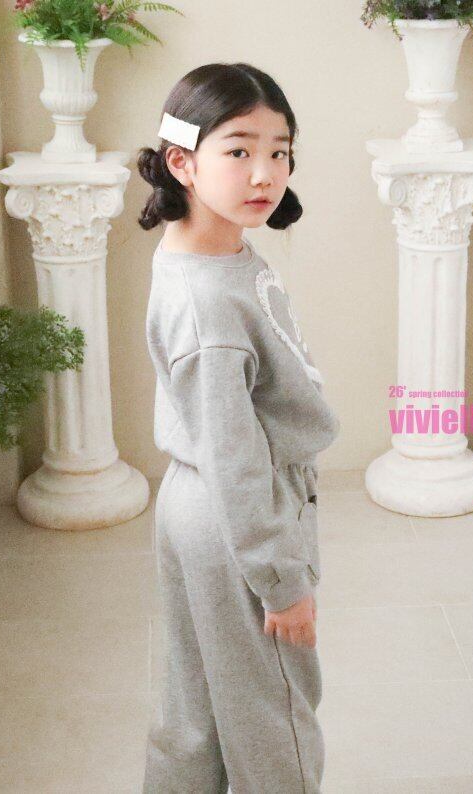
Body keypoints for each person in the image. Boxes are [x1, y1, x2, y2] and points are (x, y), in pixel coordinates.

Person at [137, 62, 341, 794]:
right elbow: (237, 460)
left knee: (194, 708)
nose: (265, 173)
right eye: (239, 150)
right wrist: (281, 581)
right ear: (181, 162)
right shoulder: (208, 307)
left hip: (196, 503)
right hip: (235, 516)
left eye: (279, 151)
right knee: (275, 714)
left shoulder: (206, 253)